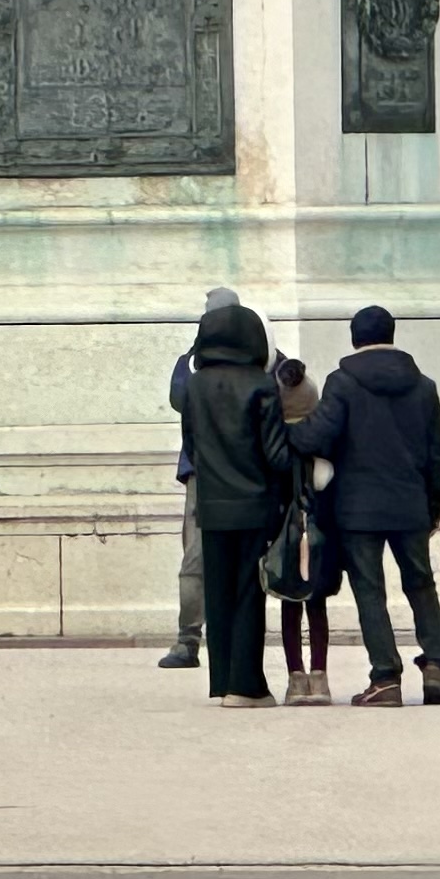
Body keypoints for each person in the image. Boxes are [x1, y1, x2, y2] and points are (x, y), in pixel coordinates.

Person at [289, 301, 440, 709]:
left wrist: (284, 428)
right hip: (411, 504)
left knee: (370, 591)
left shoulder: (342, 383)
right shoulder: (424, 387)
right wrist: (434, 507)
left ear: (355, 338)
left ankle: (385, 678)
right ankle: (435, 664)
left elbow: (317, 436)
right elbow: (439, 454)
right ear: (391, 335)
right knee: (421, 583)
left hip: (358, 508)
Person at [177, 291, 291, 708]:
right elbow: (276, 454)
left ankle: (223, 680)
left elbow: (192, 444)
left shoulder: (196, 386)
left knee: (220, 594)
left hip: (212, 503)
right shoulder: (261, 385)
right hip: (254, 502)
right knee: (248, 595)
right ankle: (246, 685)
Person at [161, 285, 239, 673]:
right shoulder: (196, 363)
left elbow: (181, 398)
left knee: (196, 558)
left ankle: (188, 640)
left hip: (207, 471)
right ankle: (193, 640)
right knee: (199, 558)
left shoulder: (195, 365)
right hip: (228, 471)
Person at [267, 359, 342, 705]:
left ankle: (295, 678)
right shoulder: (323, 444)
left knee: (290, 605)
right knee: (317, 605)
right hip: (319, 533)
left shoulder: (275, 444)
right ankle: (320, 677)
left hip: (284, 535)